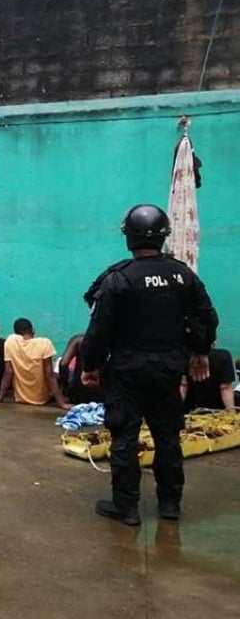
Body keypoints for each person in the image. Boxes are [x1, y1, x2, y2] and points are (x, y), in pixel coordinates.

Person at [80, 203, 219, 525]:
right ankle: (170, 504)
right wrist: (199, 353)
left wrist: (90, 365)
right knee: (168, 436)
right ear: (163, 236)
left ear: (128, 237)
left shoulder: (119, 279)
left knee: (124, 437)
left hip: (128, 370)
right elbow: (207, 318)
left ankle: (126, 508)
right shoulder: (183, 275)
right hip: (169, 368)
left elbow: (99, 329)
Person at [0, 318, 68, 408]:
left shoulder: (10, 342)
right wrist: (62, 403)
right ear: (33, 330)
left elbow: (8, 372)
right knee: (58, 369)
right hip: (43, 399)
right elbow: (49, 375)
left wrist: (0, 397)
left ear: (16, 333)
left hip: (22, 398)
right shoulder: (45, 343)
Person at [181, 345, 235, 412]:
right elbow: (225, 387)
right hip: (218, 413)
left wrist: (177, 412)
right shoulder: (223, 356)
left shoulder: (184, 356)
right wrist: (232, 413)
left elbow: (183, 385)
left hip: (190, 411)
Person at [58, 334, 103, 405]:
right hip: (101, 396)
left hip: (78, 396)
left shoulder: (77, 340)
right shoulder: (108, 341)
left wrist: (65, 389)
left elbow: (63, 364)